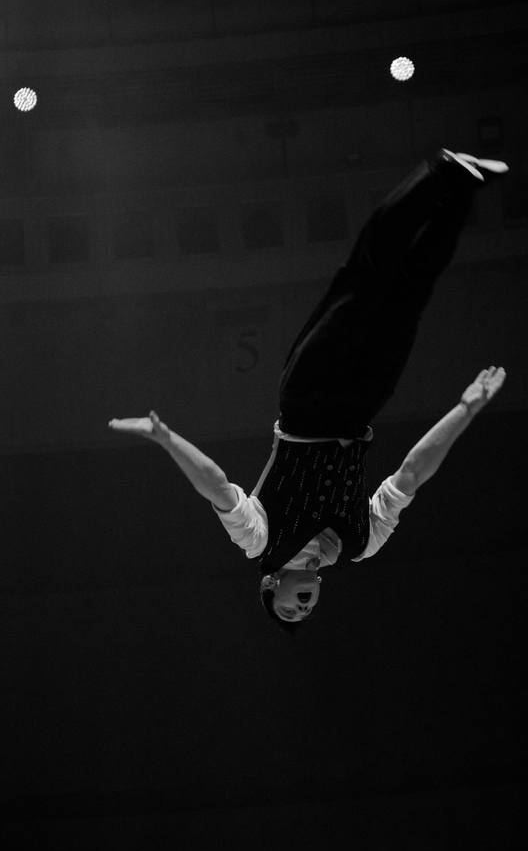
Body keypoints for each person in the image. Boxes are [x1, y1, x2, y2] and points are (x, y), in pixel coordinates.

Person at [109, 150, 508, 631]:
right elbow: (411, 473)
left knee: (366, 277)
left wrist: (167, 439)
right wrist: (465, 410)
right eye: (306, 611)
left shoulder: (260, 541)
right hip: (361, 406)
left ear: (270, 585)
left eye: (288, 609)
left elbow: (216, 486)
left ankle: (438, 172)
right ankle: (462, 189)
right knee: (410, 296)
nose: (302, 609)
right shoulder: (361, 544)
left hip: (307, 399)